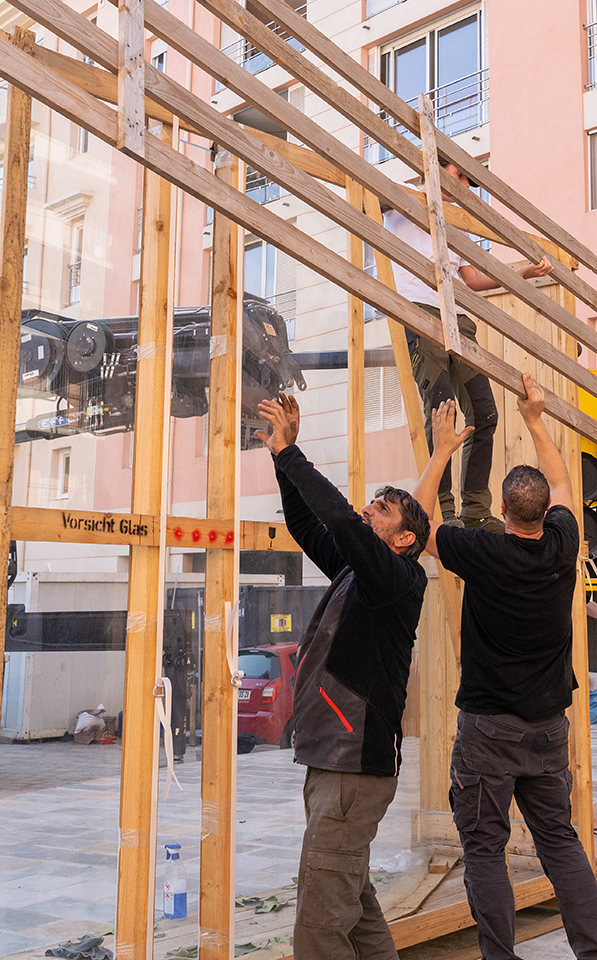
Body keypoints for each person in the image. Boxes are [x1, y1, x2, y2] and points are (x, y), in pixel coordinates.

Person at [255, 392, 460, 960]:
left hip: (352, 767)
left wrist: (295, 453)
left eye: (381, 511)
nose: (368, 510)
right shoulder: (359, 570)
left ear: (403, 542)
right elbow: (308, 523)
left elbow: (340, 520)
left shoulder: (394, 578)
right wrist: (280, 457)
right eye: (370, 504)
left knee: (321, 923)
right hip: (334, 762)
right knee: (351, 900)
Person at [428, 375, 597, 960]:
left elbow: (419, 528)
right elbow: (562, 482)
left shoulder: (483, 553)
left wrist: (441, 451)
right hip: (547, 729)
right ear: (544, 514)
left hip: (489, 732)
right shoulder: (565, 544)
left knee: (485, 849)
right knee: (561, 845)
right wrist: (535, 417)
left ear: (503, 510)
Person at [382, 159, 553, 531]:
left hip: (457, 319)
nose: (459, 184)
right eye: (455, 174)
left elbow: (471, 279)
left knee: (485, 413)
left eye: (465, 181)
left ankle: (475, 510)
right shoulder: (401, 201)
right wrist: (423, 184)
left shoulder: (454, 226)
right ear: (434, 168)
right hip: (420, 314)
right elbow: (368, 192)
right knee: (443, 413)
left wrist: (523, 271)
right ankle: (443, 512)